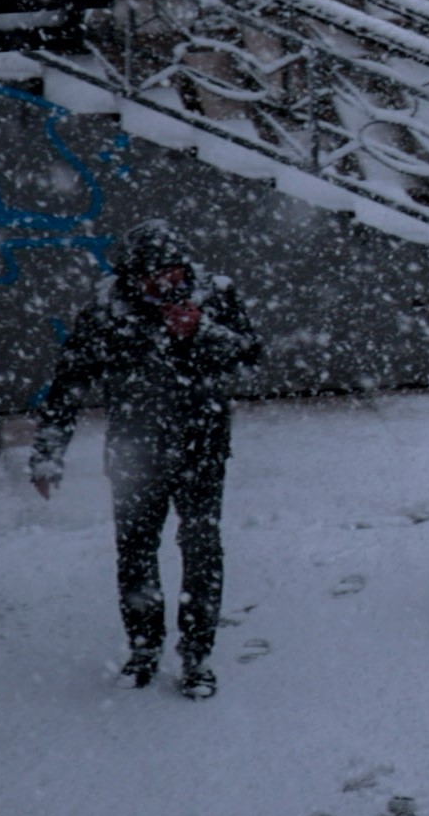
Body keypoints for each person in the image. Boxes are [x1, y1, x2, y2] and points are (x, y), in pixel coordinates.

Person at [32, 225, 266, 696]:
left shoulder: (214, 297)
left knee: (201, 549)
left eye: (172, 273)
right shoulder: (107, 313)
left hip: (203, 447)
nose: (163, 285)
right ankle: (143, 649)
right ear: (131, 278)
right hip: (134, 454)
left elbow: (251, 357)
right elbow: (69, 383)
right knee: (136, 551)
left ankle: (197, 656)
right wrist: (48, 452)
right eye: (151, 277)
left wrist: (201, 331)